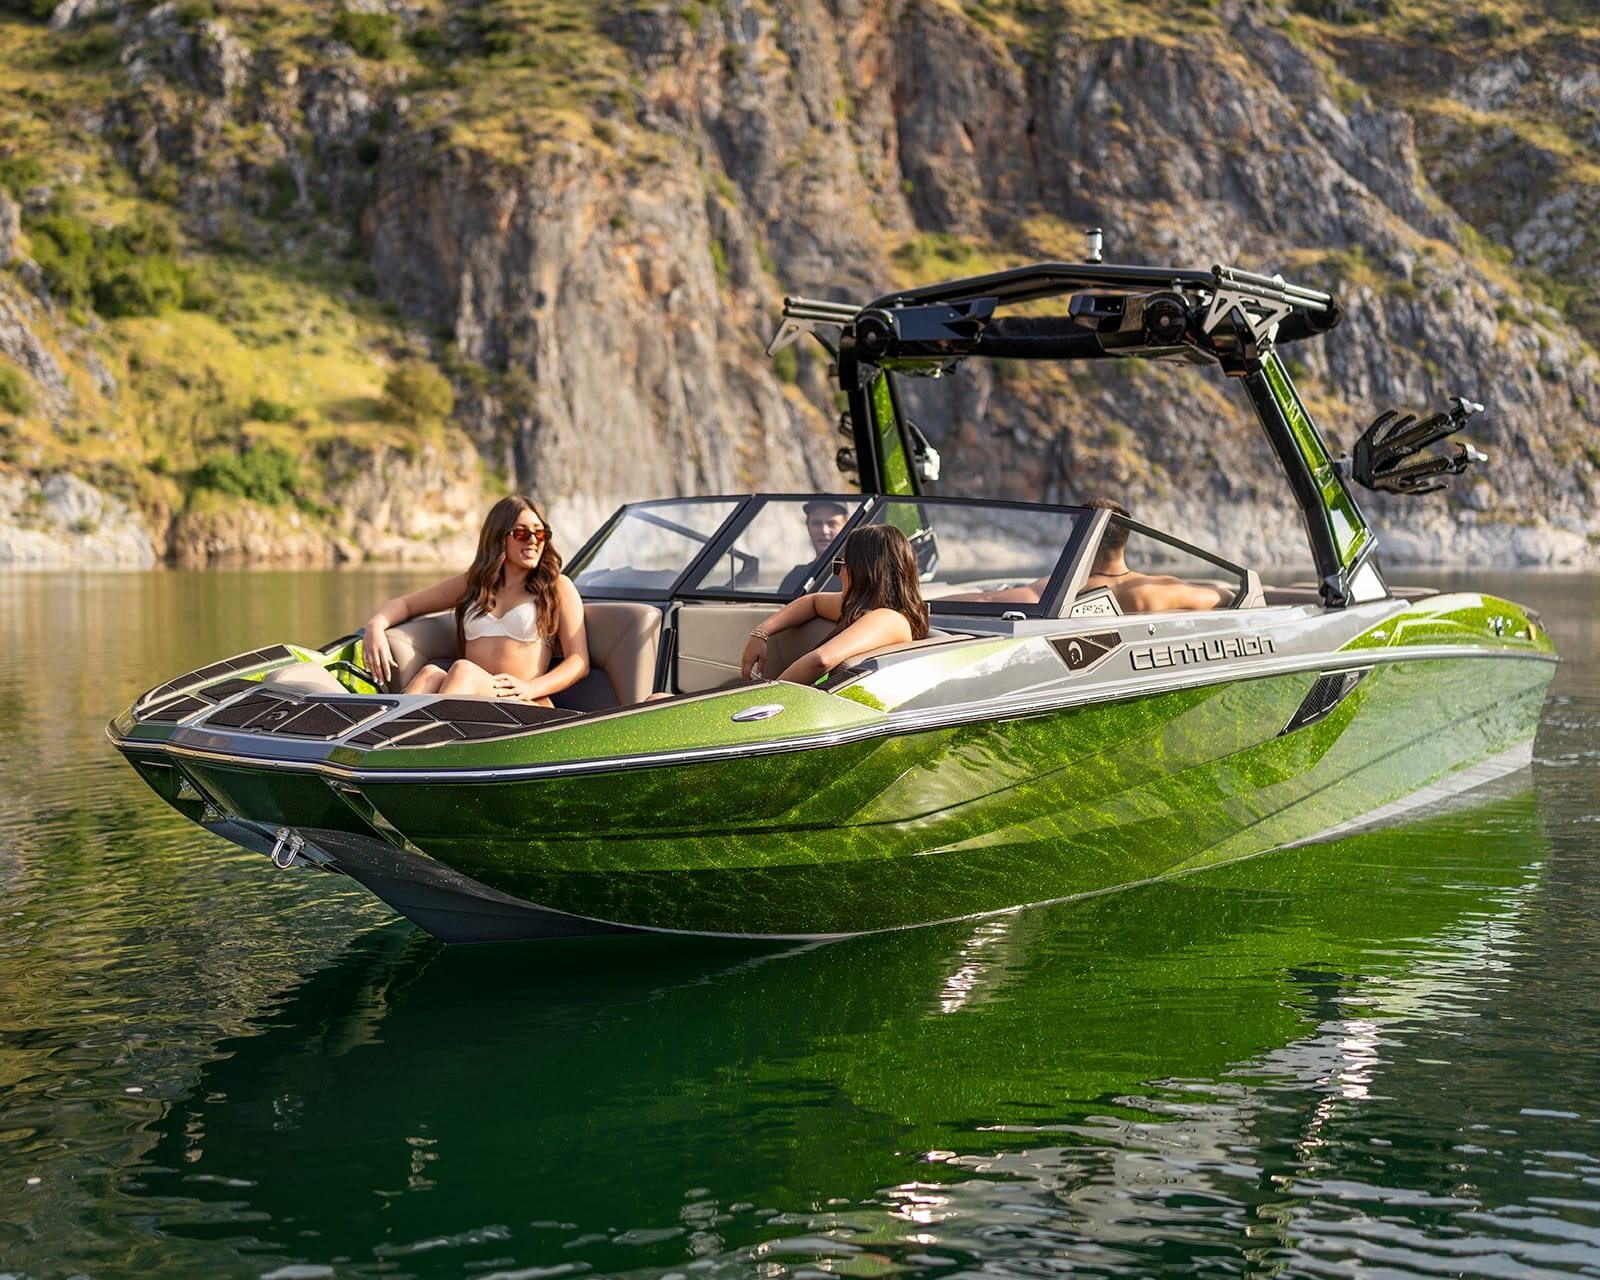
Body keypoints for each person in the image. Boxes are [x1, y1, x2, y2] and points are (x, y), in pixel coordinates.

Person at [361, 495, 590, 705]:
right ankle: (389, 743)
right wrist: (375, 626)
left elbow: (579, 661)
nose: (533, 541)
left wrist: (530, 688)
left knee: (462, 669)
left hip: (523, 704)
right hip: (472, 699)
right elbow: (406, 604)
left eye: (540, 533)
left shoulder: (557, 586)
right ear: (500, 538)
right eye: (521, 533)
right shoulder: (475, 583)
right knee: (430, 674)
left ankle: (421, 743)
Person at [741, 523, 929, 685]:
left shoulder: (888, 618)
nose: (839, 573)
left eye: (843, 564)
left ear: (867, 571)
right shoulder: (864, 609)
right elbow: (813, 601)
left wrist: (765, 699)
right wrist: (761, 633)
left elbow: (821, 660)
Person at [1082, 498, 1234, 613]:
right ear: (1124, 537)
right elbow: (1226, 597)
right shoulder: (1158, 589)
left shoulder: (1074, 592)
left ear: (1085, 540)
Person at [777, 499, 852, 595]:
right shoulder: (796, 577)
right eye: (817, 523)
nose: (824, 531)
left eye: (832, 524)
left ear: (847, 528)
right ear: (808, 527)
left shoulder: (857, 576)